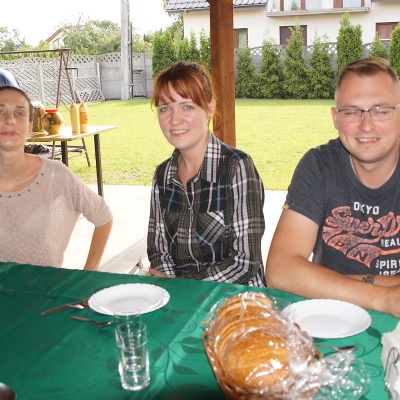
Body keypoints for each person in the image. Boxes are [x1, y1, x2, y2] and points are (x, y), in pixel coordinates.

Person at [266, 57, 400, 316]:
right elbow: (280, 270)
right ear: (335, 118)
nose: (366, 124)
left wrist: (330, 282)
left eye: (381, 110)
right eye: (351, 111)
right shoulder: (319, 166)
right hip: (331, 321)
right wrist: (383, 297)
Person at [146, 61, 266, 286]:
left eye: (187, 106)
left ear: (210, 108)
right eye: (165, 108)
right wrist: (171, 284)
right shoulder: (162, 176)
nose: (174, 119)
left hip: (234, 300)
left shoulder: (237, 167)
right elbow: (158, 252)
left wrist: (180, 284)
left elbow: (244, 264)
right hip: (178, 298)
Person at [0, 85, 113, 270]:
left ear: (30, 128)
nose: (10, 120)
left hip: (46, 295)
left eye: (19, 113)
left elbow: (103, 217)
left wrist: (87, 276)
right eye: (0, 112)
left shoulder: (55, 176)